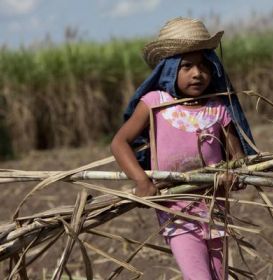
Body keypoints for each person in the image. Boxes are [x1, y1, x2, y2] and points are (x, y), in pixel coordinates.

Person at [111, 17, 257, 279]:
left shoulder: (218, 108)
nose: (197, 73)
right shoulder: (155, 103)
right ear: (169, 70)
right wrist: (142, 181)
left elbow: (237, 157)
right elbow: (119, 143)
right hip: (175, 210)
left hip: (215, 207)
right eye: (187, 66)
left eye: (203, 66)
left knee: (217, 275)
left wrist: (234, 175)